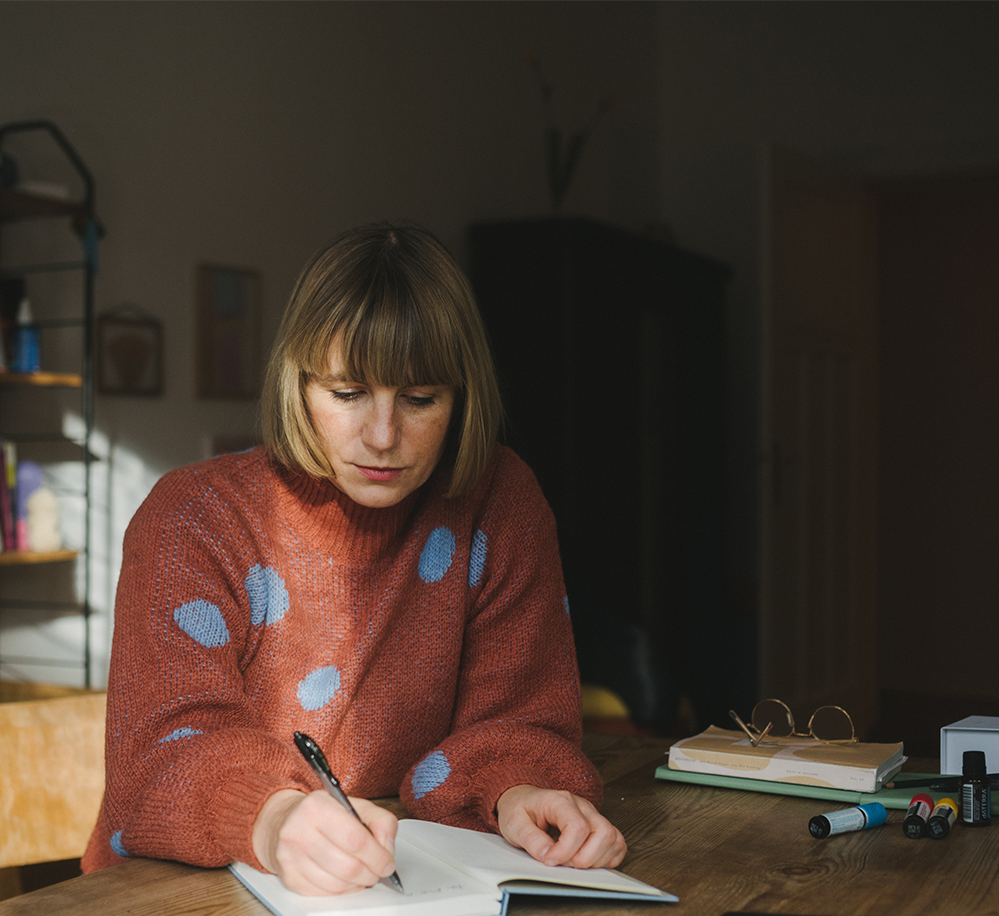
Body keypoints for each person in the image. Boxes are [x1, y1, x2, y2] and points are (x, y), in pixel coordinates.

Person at [82, 222, 626, 894]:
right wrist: (277, 817)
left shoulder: (500, 502)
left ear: (463, 398)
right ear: (298, 384)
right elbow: (165, 754)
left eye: (421, 399)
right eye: (346, 394)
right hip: (169, 892)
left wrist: (518, 790)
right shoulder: (192, 518)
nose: (382, 436)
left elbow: (514, 719)